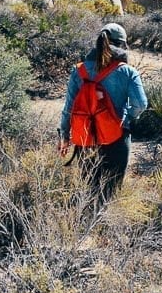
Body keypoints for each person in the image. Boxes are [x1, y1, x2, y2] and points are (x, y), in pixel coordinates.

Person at [58, 22, 147, 203]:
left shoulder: (79, 70)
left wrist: (64, 136)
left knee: (89, 189)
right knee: (111, 192)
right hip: (116, 137)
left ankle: (84, 226)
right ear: (121, 45)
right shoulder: (128, 72)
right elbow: (141, 104)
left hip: (85, 138)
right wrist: (126, 117)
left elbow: (69, 108)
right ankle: (105, 226)